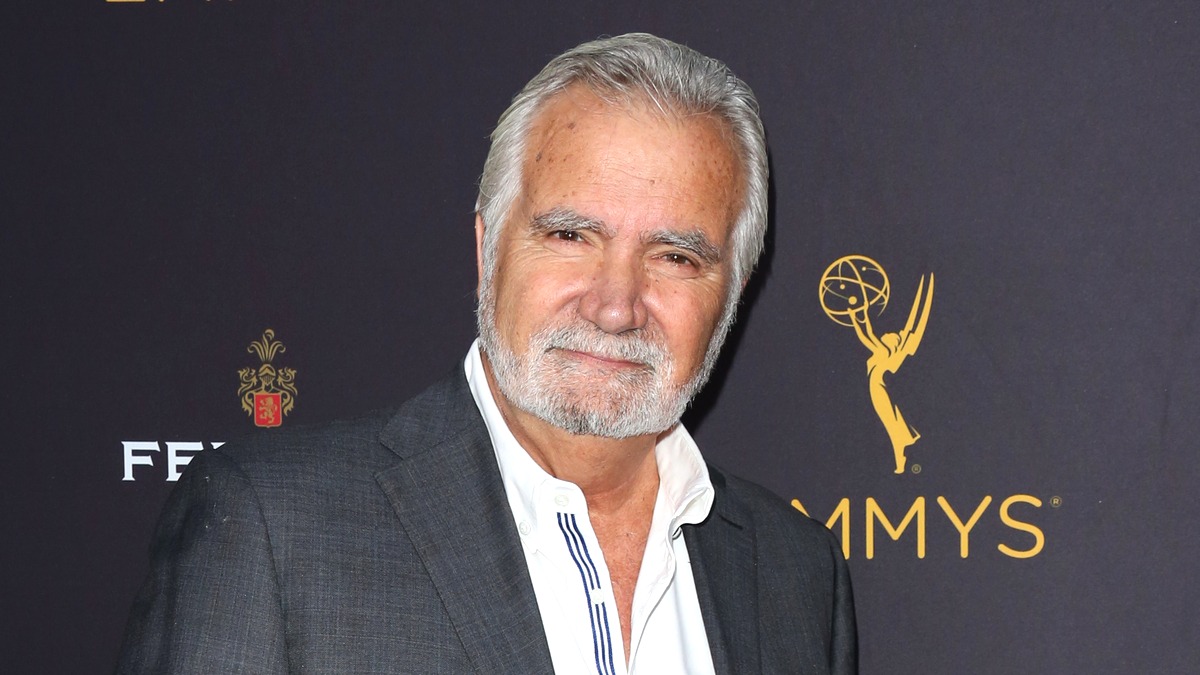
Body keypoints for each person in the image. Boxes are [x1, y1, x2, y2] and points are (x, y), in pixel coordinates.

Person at [117, 33, 857, 674]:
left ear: (732, 292)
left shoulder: (795, 574)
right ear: (486, 248)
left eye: (675, 257)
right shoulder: (273, 529)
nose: (615, 303)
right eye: (571, 236)